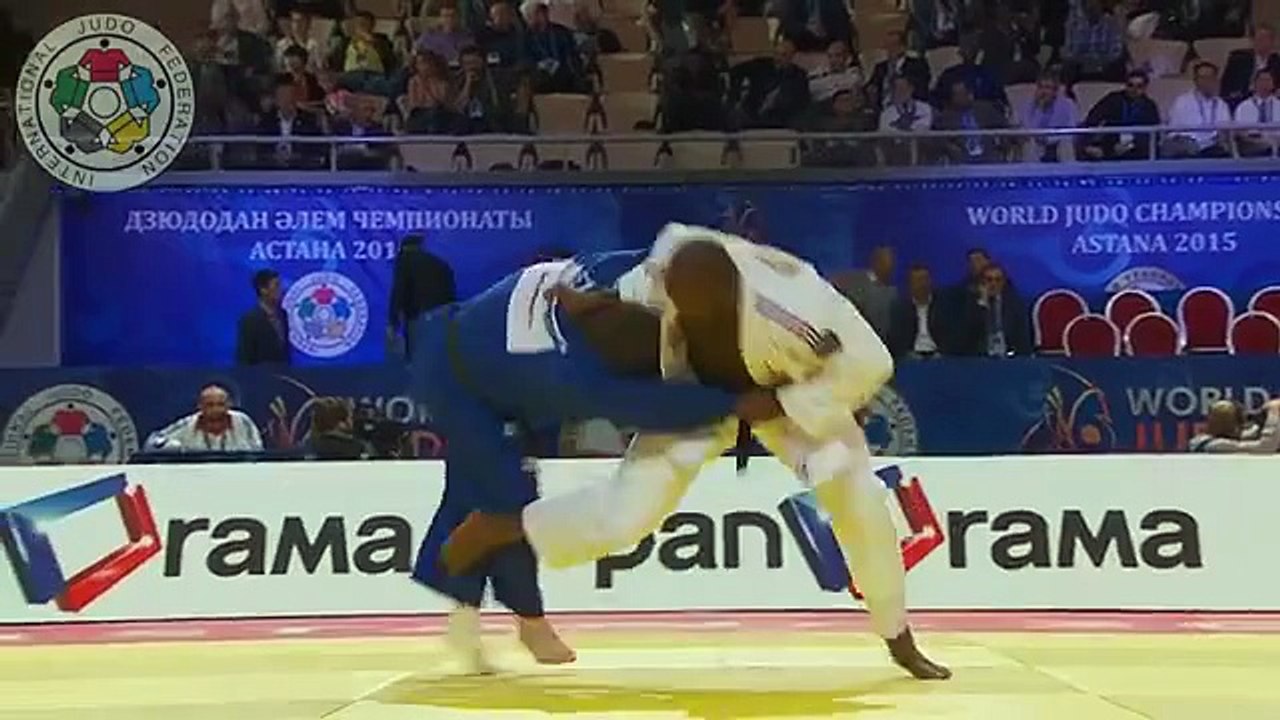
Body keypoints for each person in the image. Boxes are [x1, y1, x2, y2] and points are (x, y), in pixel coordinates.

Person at [441, 224, 951, 681]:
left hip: (786, 397)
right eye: (683, 311)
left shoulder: (799, 307)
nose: (688, 319)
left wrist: (784, 402)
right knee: (626, 517)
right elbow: (619, 313)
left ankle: (898, 637)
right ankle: (507, 526)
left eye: (702, 314)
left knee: (858, 499)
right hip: (698, 398)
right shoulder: (663, 269)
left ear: (733, 297)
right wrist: (590, 306)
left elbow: (871, 362)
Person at [407, 246, 784, 672]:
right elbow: (655, 406)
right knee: (503, 502)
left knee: (472, 497)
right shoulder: (580, 377)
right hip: (456, 382)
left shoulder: (616, 272)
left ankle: (465, 614)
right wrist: (733, 403)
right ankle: (528, 620)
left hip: (470, 345)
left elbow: (668, 257)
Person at [388, 235, 457, 359]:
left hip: (419, 317)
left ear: (403, 248)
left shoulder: (405, 260)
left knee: (418, 356)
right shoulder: (440, 263)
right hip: (443, 315)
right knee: (440, 355)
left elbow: (399, 290)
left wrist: (393, 322)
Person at [146, 384, 263, 453]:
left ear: (229, 405)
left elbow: (259, 452)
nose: (216, 409)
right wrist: (176, 448)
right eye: (210, 405)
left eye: (221, 404)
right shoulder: (188, 423)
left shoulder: (243, 421)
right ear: (200, 406)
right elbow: (152, 444)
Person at [236, 269, 291, 365]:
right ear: (263, 290)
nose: (281, 290)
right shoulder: (250, 320)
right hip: (260, 377)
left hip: (283, 376)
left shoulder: (283, 315)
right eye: (276, 285)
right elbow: (244, 358)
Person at [1189, 399, 1280, 453]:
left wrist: (1264, 420)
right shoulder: (1213, 445)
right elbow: (1265, 446)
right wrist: (1274, 413)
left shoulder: (1224, 439)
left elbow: (1252, 434)